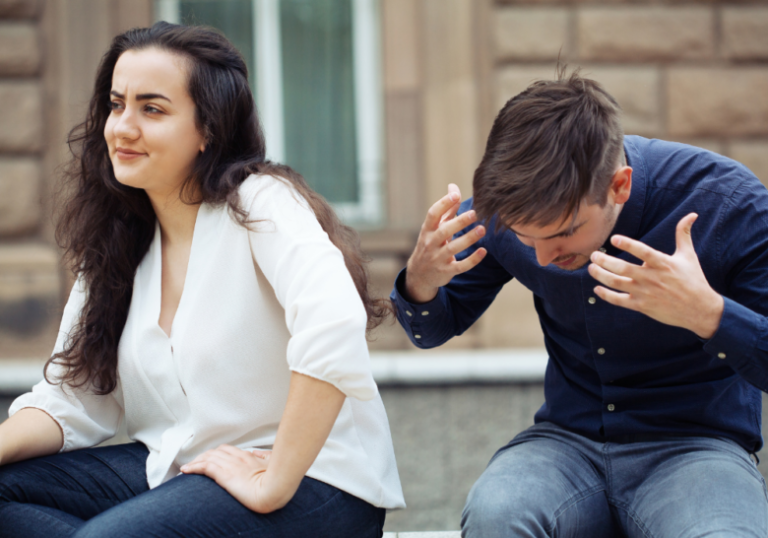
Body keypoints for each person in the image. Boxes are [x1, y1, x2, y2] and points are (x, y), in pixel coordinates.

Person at [0, 22, 404, 538]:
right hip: (176, 468)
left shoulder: (259, 203)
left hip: (315, 483)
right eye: (116, 104)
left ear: (208, 129)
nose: (122, 126)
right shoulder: (118, 242)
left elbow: (333, 323)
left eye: (152, 109)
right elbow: (72, 402)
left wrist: (275, 478)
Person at [391, 68, 768, 537]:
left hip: (696, 448)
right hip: (565, 445)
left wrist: (708, 315)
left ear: (619, 186)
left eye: (564, 233)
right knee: (495, 515)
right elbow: (430, 330)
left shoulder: (729, 204)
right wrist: (421, 281)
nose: (544, 258)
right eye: (528, 240)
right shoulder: (508, 212)